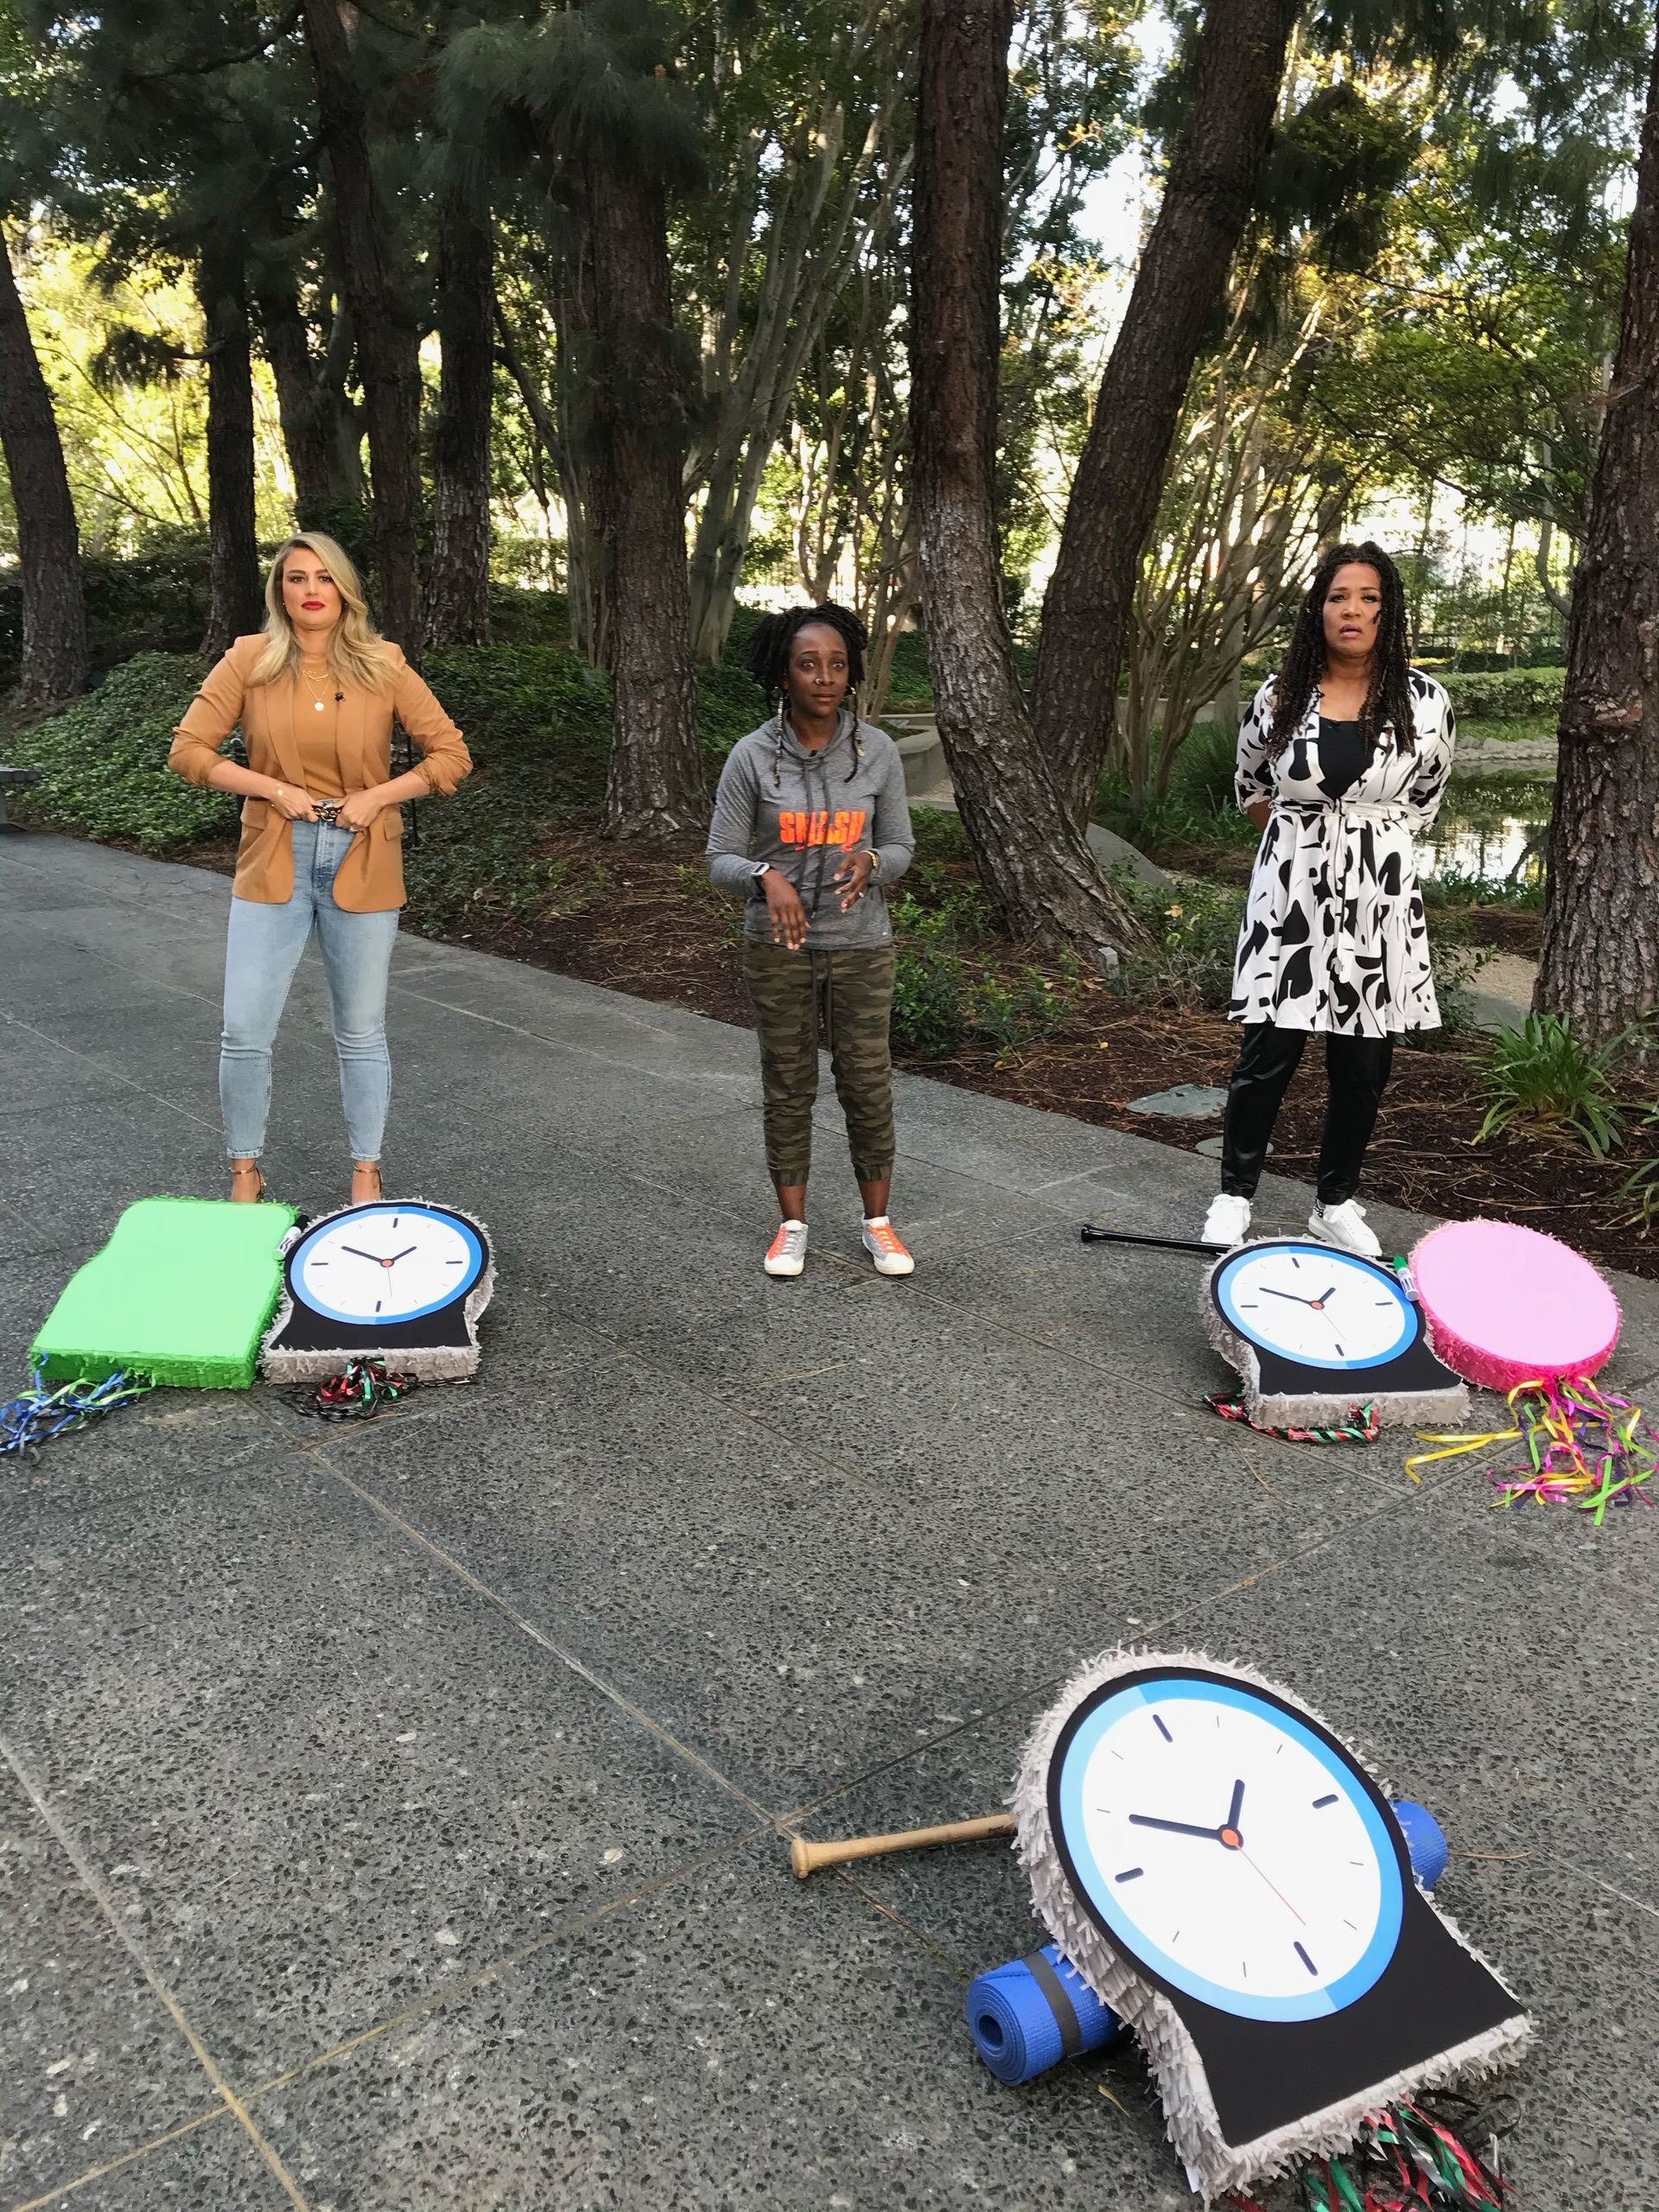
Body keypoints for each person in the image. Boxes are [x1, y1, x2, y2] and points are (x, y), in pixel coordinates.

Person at [168, 532, 472, 1204]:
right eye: (295, 578)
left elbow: (450, 755)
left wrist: (379, 795)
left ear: (343, 590)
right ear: (280, 591)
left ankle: (367, 1172)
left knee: (360, 1031)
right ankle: (245, 1174)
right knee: (244, 1028)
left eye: (323, 578)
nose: (309, 589)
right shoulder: (248, 660)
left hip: (363, 856)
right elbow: (189, 751)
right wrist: (269, 787)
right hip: (273, 853)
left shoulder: (384, 664)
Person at [1201, 541, 1455, 1257]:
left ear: (1389, 611)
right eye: (1340, 596)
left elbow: (1426, 799)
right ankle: (1233, 1194)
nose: (1353, 610)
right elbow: (1251, 786)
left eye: (1369, 598)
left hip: (1379, 903)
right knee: (1268, 1052)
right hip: (1292, 900)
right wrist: (1297, 844)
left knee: (1363, 1065)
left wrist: (1368, 845)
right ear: (1318, 609)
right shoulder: (1280, 695)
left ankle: (1335, 1201)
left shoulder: (1426, 701)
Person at [707, 601, 916, 1279]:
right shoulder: (751, 756)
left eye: (836, 663)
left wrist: (875, 862)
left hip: (861, 943)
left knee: (865, 1080)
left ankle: (877, 1223)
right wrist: (766, 876)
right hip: (778, 948)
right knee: (789, 1082)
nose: (824, 677)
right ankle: (791, 1224)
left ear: (850, 672)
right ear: (784, 674)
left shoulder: (878, 751)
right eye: (808, 664)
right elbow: (720, 859)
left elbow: (901, 843)